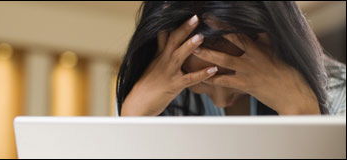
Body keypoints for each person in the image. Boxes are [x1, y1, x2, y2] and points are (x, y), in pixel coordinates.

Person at [116, 1, 346, 116]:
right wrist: (133, 117)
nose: (220, 102)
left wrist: (302, 112)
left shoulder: (341, 94)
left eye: (233, 77)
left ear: (275, 43)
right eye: (201, 82)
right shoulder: (154, 99)